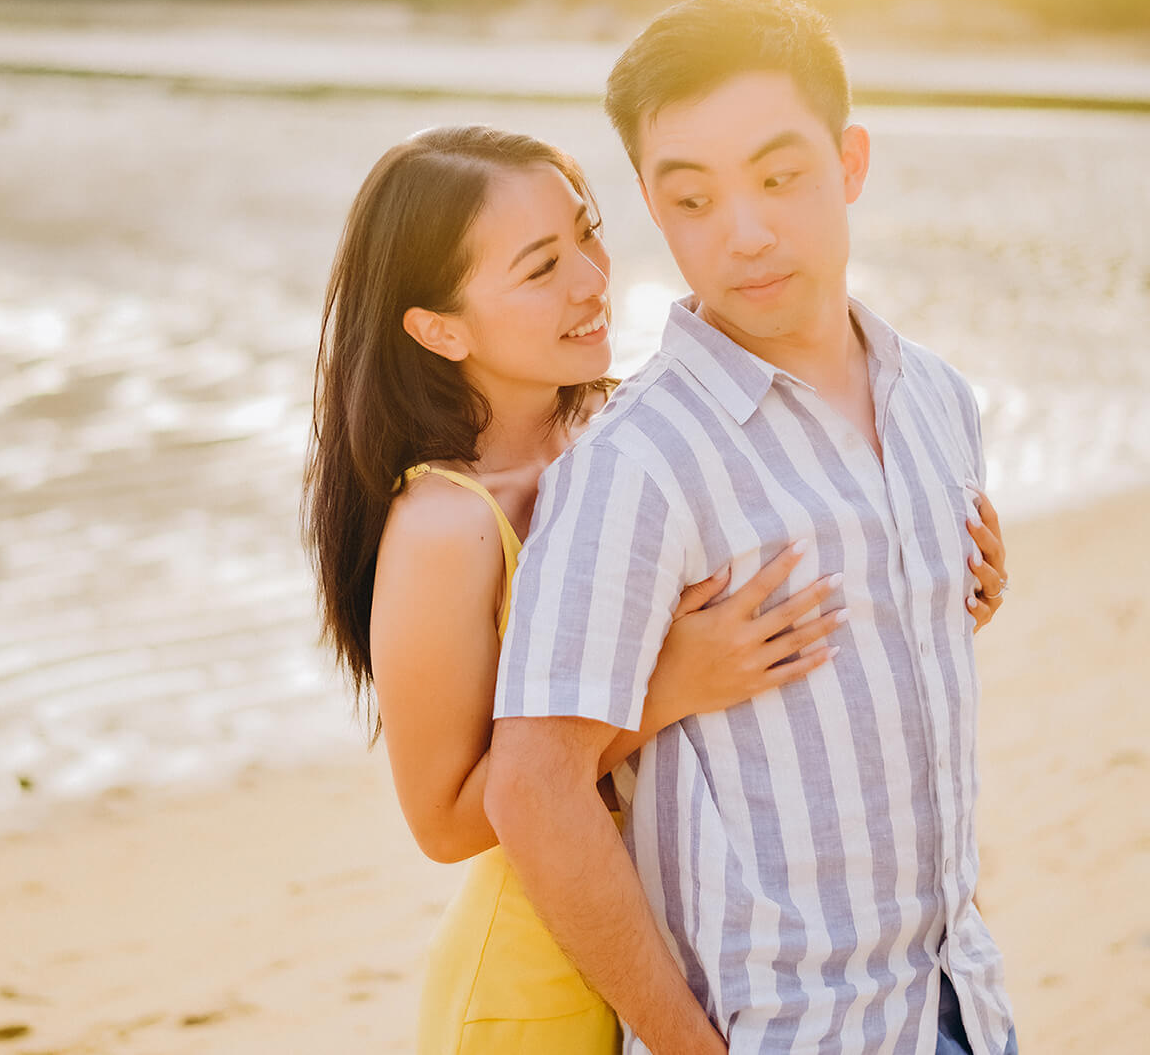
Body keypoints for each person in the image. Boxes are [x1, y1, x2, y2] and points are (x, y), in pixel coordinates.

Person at [304, 125, 1012, 1053]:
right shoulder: (447, 525)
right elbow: (441, 821)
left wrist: (940, 570)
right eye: (540, 267)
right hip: (544, 981)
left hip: (691, 943)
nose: (592, 280)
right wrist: (664, 689)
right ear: (439, 327)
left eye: (587, 235)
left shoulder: (619, 445)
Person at [485, 0, 1019, 1055]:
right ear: (650, 203)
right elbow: (532, 788)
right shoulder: (637, 463)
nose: (743, 232)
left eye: (779, 177)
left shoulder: (937, 403)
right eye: (689, 201)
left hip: (958, 1001)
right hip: (781, 1032)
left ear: (849, 163)